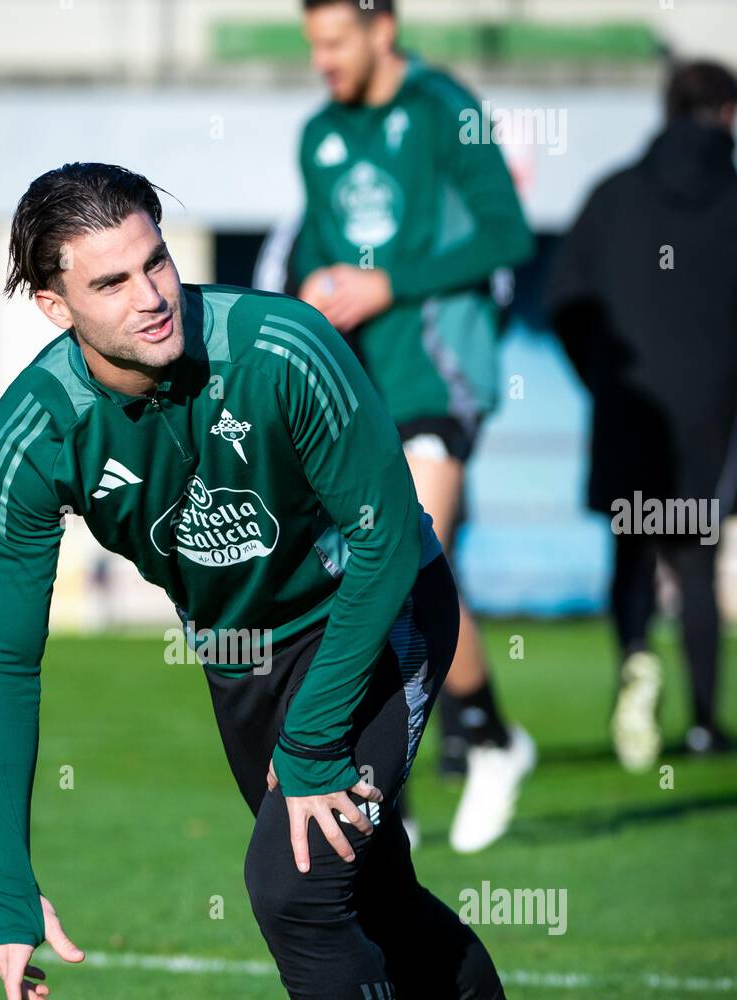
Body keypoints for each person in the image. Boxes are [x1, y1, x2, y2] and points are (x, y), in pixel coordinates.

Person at [0, 161, 601, 1000]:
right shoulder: (34, 436)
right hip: (243, 662)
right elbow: (6, 661)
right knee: (371, 895)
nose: (151, 293)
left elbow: (388, 538)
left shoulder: (282, 347)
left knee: (296, 884)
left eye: (156, 258)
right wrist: (7, 888)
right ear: (56, 308)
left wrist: (313, 745)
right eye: (111, 282)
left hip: (382, 609)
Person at [288, 0, 537, 853]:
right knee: (359, 571)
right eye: (310, 44)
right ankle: (418, 764)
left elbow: (506, 234)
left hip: (441, 372)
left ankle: (490, 740)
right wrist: (313, 289)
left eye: (334, 42)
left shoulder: (444, 109)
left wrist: (389, 282)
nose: (321, 59)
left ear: (381, 30)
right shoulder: (318, 134)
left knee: (410, 557)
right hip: (359, 386)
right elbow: (312, 252)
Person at [546, 60, 737, 769]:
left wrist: (603, 377)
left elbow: (564, 302)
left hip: (628, 411)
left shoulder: (612, 196)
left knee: (629, 556)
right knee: (693, 566)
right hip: (709, 418)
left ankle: (634, 664)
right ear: (726, 114)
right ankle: (703, 726)